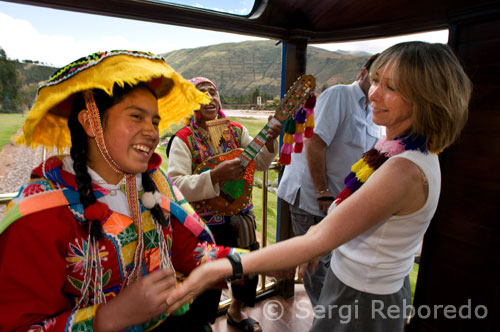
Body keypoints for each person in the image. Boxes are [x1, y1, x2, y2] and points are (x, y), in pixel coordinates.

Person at [166, 41, 472, 332]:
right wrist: (323, 241)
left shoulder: (404, 169)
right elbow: (341, 221)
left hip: (363, 296)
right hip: (354, 281)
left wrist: (219, 267)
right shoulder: (394, 149)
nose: (374, 94)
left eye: (391, 87)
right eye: (376, 80)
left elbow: (319, 236)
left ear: (426, 99)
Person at [0, 50, 241, 332]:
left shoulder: (156, 182)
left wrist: (250, 263)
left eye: (154, 121)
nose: (152, 132)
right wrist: (110, 316)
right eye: (136, 116)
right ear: (91, 123)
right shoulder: (39, 214)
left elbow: (192, 252)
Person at [167, 77, 282, 332]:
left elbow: (260, 163)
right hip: (204, 226)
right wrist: (215, 176)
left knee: (247, 271)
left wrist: (271, 140)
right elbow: (175, 184)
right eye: (201, 93)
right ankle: (203, 324)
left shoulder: (236, 131)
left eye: (213, 92)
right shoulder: (183, 139)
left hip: (241, 217)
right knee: (208, 281)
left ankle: (236, 311)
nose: (210, 96)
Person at [277, 53, 382, 305]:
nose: (379, 86)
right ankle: (326, 319)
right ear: (363, 73)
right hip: (314, 198)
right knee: (317, 266)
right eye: (376, 77)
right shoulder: (340, 95)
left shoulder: (374, 111)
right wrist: (323, 191)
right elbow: (315, 143)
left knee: (333, 263)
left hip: (339, 204)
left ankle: (331, 316)